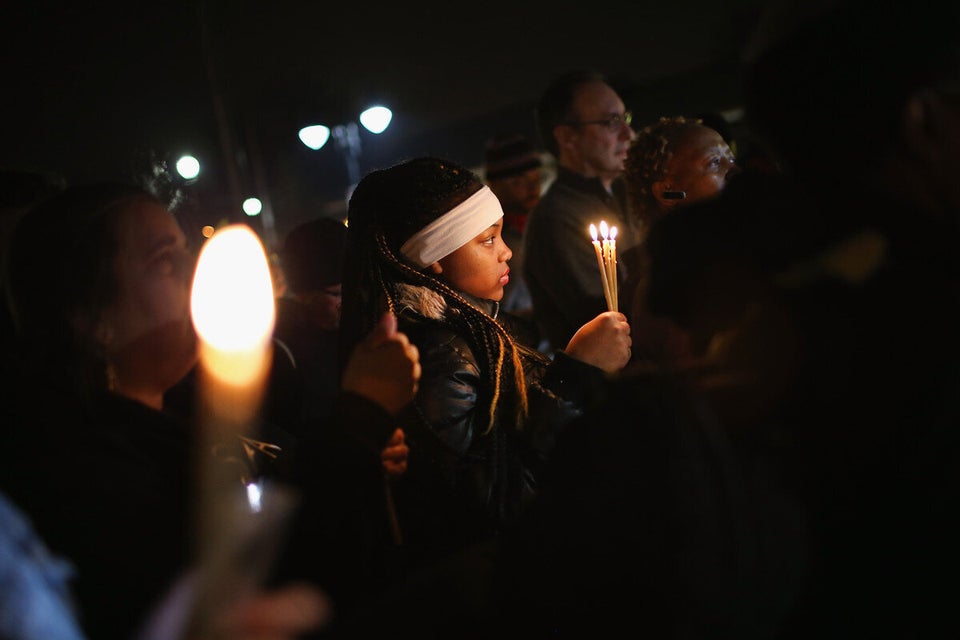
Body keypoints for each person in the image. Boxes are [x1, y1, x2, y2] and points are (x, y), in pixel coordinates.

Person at [0, 183, 421, 639]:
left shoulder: (184, 415)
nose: (196, 273)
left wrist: (358, 452)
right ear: (89, 316)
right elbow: (274, 574)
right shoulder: (85, 477)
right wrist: (360, 417)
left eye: (188, 252)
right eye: (164, 261)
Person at [338, 156, 632, 583]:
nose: (506, 250)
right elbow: (491, 500)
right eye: (487, 240)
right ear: (435, 255)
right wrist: (576, 375)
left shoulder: (473, 330)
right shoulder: (436, 351)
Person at [522, 69, 641, 350]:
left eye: (625, 119)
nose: (628, 133)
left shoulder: (629, 193)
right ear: (567, 137)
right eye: (612, 122)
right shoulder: (556, 218)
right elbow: (602, 317)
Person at [619, 115, 739, 366]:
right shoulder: (665, 290)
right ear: (667, 191)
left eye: (732, 159)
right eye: (715, 162)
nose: (734, 171)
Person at [274, 216, 349, 426]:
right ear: (303, 295)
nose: (349, 302)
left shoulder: (363, 329)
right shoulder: (281, 354)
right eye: (337, 293)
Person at [482, 133, 543, 342]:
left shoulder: (539, 224)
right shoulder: (489, 240)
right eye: (518, 182)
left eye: (536, 179)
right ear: (496, 186)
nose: (532, 188)